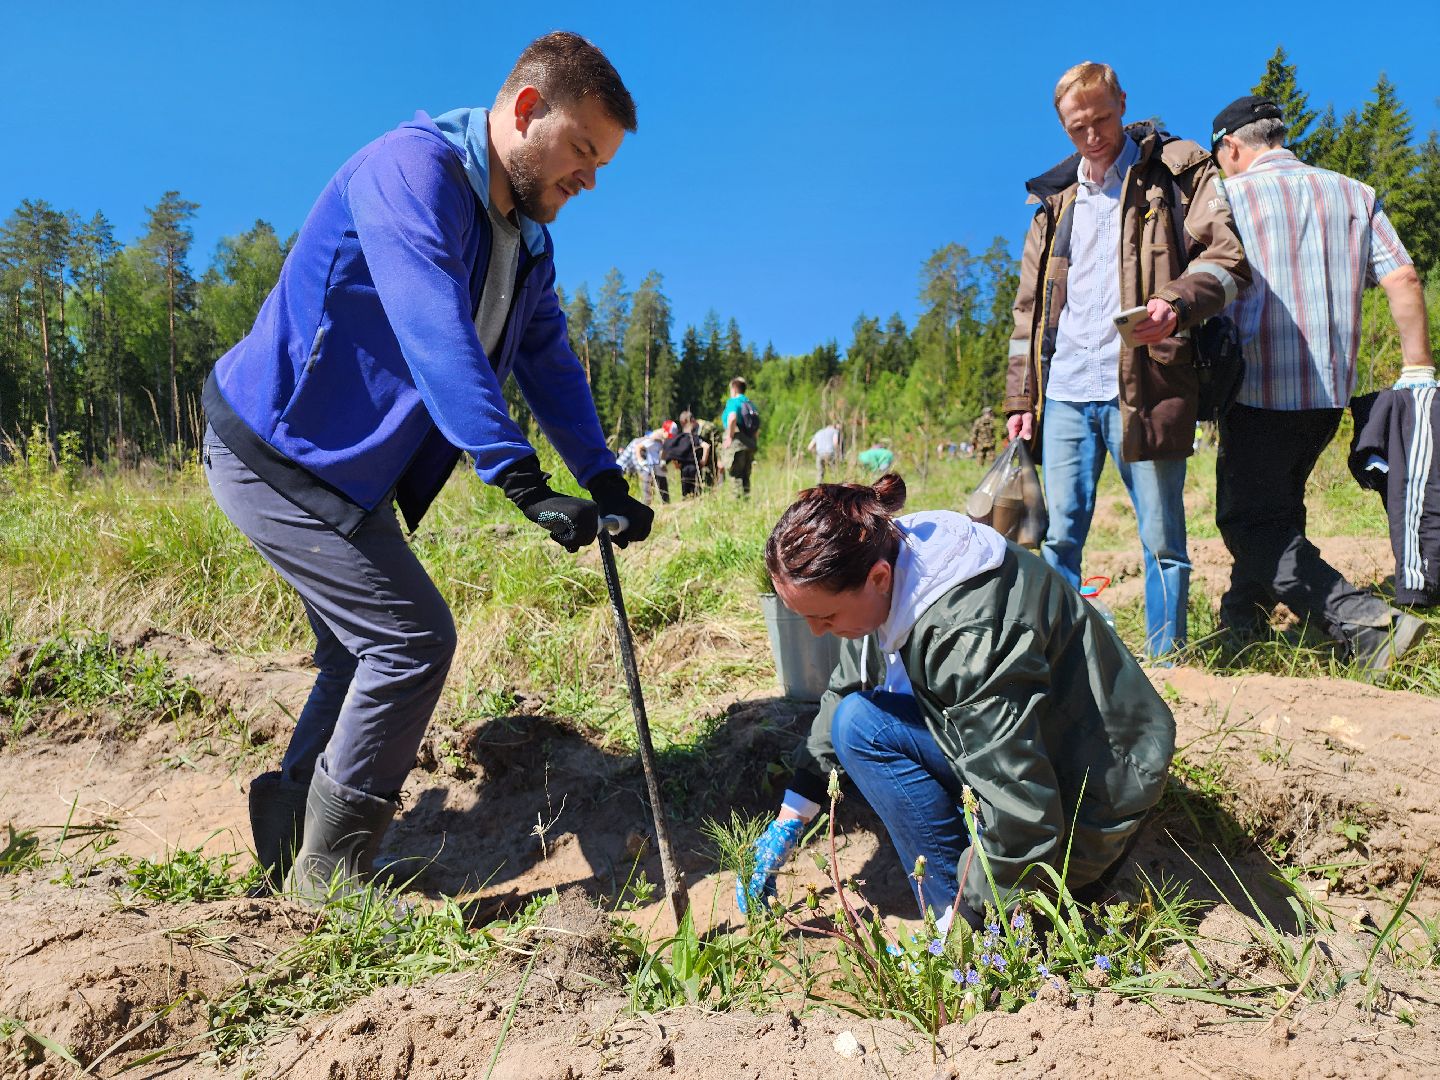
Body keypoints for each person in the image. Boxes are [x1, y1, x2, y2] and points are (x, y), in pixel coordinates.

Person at [201, 32, 653, 901]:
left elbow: (547, 360)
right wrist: (519, 478)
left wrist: (603, 477)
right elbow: (433, 328)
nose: (590, 178)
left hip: (346, 475)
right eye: (583, 151)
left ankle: (291, 828)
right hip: (276, 452)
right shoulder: (408, 172)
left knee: (356, 651)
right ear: (526, 111)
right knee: (411, 643)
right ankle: (330, 880)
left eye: (602, 165)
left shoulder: (524, 240)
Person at [736, 475, 1175, 925]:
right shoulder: (885, 562)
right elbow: (847, 689)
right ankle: (960, 897)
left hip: (1099, 790)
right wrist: (792, 815)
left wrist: (966, 915)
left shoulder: (966, 638)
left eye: (825, 617)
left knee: (867, 732)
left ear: (879, 578)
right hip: (1043, 754)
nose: (815, 631)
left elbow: (1023, 811)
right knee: (856, 721)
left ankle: (960, 918)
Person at [1006, 62, 1249, 660]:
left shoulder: (1174, 169)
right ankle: (1068, 659)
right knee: (1059, 538)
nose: (1091, 136)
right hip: (1064, 390)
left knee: (1162, 536)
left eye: (1102, 119)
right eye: (1076, 127)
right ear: (1063, 126)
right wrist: (1020, 398)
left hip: (1147, 381)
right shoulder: (1054, 203)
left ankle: (1169, 662)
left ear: (1122, 102)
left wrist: (1176, 303)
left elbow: (1229, 257)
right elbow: (1027, 312)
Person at [1210, 94, 1432, 670]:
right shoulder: (1354, 195)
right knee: (1276, 504)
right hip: (1328, 390)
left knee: (1246, 520)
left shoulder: (1228, 197)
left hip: (1256, 387)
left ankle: (1367, 625)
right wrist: (1418, 371)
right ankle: (1244, 616)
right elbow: (1403, 276)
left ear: (1232, 147)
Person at [720, 376, 759, 496]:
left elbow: (732, 418)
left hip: (737, 443)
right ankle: (746, 501)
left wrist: (730, 437)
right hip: (750, 443)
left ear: (734, 388)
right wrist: (753, 442)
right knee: (746, 475)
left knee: (735, 474)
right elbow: (757, 428)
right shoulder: (750, 404)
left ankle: (737, 503)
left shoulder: (733, 401)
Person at [662, 411, 705, 497]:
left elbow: (671, 452)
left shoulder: (678, 440)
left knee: (686, 494)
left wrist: (676, 464)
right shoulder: (694, 437)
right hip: (695, 467)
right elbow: (706, 446)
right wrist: (703, 461)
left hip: (684, 469)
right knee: (697, 493)